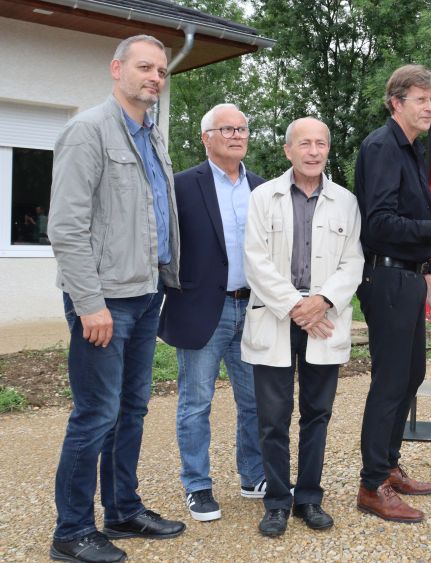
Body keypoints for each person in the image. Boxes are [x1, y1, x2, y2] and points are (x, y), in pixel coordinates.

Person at [47, 34, 185, 563]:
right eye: (144, 67)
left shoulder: (152, 136)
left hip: (146, 293)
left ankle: (123, 510)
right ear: (116, 69)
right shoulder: (87, 131)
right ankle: (72, 531)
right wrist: (89, 303)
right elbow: (66, 228)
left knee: (131, 408)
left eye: (161, 71)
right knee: (95, 413)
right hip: (104, 302)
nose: (154, 77)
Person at [354, 64, 431, 524]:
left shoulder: (412, 149)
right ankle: (372, 486)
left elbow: (413, 222)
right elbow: (379, 224)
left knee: (410, 377)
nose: (430, 107)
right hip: (384, 279)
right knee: (389, 383)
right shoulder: (382, 146)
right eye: (421, 99)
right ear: (396, 102)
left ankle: (388, 466)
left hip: (409, 278)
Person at [241, 117, 364, 537]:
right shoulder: (263, 197)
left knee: (317, 415)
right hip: (277, 316)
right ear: (287, 150)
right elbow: (254, 260)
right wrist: (297, 306)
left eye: (321, 144)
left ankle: (309, 497)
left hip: (323, 319)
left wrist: (322, 302)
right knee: (273, 419)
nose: (313, 151)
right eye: (304, 144)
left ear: (328, 150)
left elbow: (354, 261)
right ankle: (276, 501)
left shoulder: (345, 201)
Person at [158, 103, 267, 522]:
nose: (237, 135)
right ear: (207, 138)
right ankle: (197, 486)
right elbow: (164, 244)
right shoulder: (182, 186)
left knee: (255, 400)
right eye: (227, 129)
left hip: (253, 308)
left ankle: (253, 475)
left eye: (242, 128)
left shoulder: (261, 187)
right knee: (195, 403)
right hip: (204, 309)